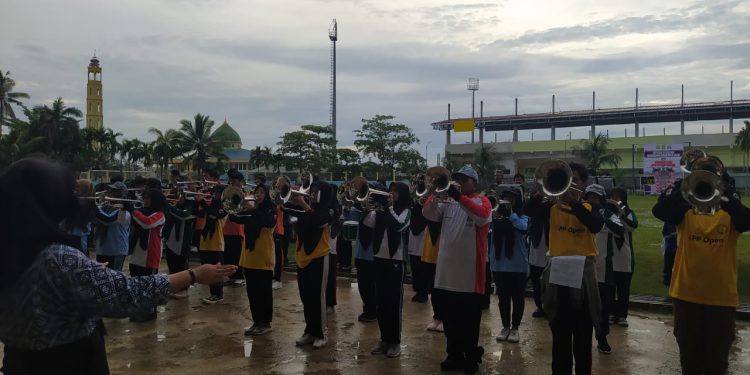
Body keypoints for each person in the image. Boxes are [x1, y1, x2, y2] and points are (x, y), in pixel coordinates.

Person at [0, 158, 236, 375]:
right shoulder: (58, 259)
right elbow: (126, 294)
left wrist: (87, 272)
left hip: (19, 362)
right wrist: (193, 274)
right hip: (66, 363)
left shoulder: (12, 251)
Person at [652, 170, 750, 375]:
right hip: (686, 297)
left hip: (721, 301)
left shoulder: (730, 217)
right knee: (690, 362)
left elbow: (746, 219)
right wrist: (684, 188)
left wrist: (726, 192)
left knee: (717, 363)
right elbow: (660, 210)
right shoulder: (685, 214)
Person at [526, 161, 603, 375]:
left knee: (582, 336)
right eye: (566, 182)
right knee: (560, 335)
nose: (570, 186)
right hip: (558, 274)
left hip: (582, 276)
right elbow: (529, 210)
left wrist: (574, 203)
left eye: (575, 181)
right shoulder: (551, 207)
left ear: (584, 184)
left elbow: (595, 224)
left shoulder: (590, 206)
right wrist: (540, 193)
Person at [423, 165, 491, 374]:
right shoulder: (448, 200)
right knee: (450, 322)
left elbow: (481, 216)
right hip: (446, 274)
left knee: (469, 322)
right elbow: (429, 214)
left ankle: (471, 357)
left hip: (469, 276)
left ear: (475, 183)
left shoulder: (483, 201)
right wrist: (434, 194)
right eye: (458, 179)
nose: (460, 183)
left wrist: (458, 197)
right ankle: (454, 355)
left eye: (465, 180)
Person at [365, 182, 411, 358]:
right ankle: (384, 339)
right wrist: (368, 205)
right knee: (381, 302)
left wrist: (388, 207)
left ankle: (395, 341)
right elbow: (367, 222)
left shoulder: (407, 211)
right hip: (379, 259)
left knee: (393, 303)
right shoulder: (381, 210)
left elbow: (398, 225)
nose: (392, 193)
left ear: (403, 194)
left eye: (396, 191)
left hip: (395, 261)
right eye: (390, 190)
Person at [290, 181, 333, 349]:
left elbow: (319, 220)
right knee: (305, 296)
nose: (312, 194)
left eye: (315, 191)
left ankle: (322, 333)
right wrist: (297, 203)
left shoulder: (328, 209)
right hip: (302, 256)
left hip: (319, 256)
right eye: (311, 191)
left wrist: (303, 203)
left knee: (318, 297)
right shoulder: (307, 207)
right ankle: (310, 330)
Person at [230, 184, 277, 336]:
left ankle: (265, 323)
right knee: (252, 292)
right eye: (257, 192)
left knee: (264, 292)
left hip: (264, 256)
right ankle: (257, 322)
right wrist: (236, 205)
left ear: (268, 194)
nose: (259, 194)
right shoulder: (251, 212)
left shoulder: (271, 209)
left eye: (262, 192)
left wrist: (253, 209)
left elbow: (268, 222)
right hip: (249, 256)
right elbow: (234, 218)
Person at [584, 184, 623, 355]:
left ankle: (602, 337)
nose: (593, 200)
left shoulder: (609, 214)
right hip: (584, 267)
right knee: (583, 306)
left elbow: (619, 229)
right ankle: (584, 337)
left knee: (603, 307)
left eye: (596, 197)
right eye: (590, 197)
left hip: (603, 268)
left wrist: (604, 215)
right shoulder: (580, 213)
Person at [489, 186, 528, 344]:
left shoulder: (522, 216)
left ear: (517, 200)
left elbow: (523, 228)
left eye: (512, 198)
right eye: (505, 197)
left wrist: (511, 214)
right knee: (503, 298)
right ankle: (505, 327)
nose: (508, 200)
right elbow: (486, 229)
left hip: (517, 264)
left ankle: (515, 328)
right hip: (499, 264)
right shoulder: (495, 216)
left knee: (518, 298)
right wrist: (495, 215)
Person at [128, 189, 167, 322]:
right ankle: (138, 309)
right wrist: (125, 209)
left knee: (149, 285)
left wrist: (133, 210)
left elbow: (147, 223)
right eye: (144, 197)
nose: (145, 200)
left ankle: (149, 312)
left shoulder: (160, 214)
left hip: (150, 254)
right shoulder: (141, 212)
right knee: (136, 283)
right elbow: (126, 222)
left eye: (148, 198)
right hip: (137, 253)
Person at [609, 187, 638, 327]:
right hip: (611, 255)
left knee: (623, 289)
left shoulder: (628, 212)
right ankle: (611, 313)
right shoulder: (607, 212)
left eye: (618, 196)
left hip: (624, 256)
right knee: (610, 288)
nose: (615, 199)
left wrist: (621, 214)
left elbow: (633, 226)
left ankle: (622, 315)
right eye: (613, 196)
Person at [353, 183, 380, 323]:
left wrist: (369, 207)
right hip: (360, 252)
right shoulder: (363, 207)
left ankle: (372, 311)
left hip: (371, 253)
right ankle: (367, 308)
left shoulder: (378, 211)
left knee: (371, 284)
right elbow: (354, 202)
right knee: (362, 284)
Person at [163, 190, 197, 298]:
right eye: (179, 195)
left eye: (182, 195)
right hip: (170, 241)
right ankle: (174, 287)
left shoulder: (191, 206)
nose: (180, 197)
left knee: (182, 267)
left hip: (182, 243)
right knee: (172, 266)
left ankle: (184, 289)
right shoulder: (175, 205)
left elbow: (183, 215)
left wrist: (168, 206)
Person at [198, 185, 228, 304]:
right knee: (209, 270)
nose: (215, 195)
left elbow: (216, 214)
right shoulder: (210, 206)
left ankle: (218, 294)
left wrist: (203, 203)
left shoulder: (224, 207)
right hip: (205, 242)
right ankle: (213, 294)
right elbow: (199, 215)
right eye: (214, 193)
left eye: (217, 193)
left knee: (217, 269)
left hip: (216, 243)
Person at [93, 182, 131, 272]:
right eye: (110, 190)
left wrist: (93, 205)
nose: (109, 193)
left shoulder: (124, 212)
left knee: (114, 279)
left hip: (116, 251)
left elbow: (107, 220)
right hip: (102, 250)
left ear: (122, 195)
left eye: (114, 191)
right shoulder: (105, 207)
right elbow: (95, 219)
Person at [223, 169, 247, 287]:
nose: (231, 182)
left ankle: (239, 277)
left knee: (237, 254)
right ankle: (232, 276)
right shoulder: (228, 191)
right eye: (231, 179)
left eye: (234, 180)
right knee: (229, 254)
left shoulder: (244, 193)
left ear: (240, 181)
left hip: (238, 229)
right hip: (228, 228)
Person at [408, 188, 429, 303]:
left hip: (423, 242)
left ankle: (423, 292)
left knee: (423, 270)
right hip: (414, 242)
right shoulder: (414, 207)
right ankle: (417, 290)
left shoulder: (426, 209)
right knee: (415, 268)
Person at [66, 179, 95, 254]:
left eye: (78, 187)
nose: (76, 189)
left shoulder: (88, 201)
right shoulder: (78, 200)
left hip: (76, 235)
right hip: (77, 235)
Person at [326, 187, 343, 313]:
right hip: (321, 245)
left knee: (330, 275)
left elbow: (335, 221)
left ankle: (330, 303)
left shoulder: (335, 206)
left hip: (330, 245)